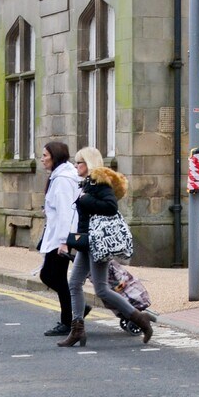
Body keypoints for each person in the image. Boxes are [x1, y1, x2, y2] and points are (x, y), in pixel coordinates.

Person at [59, 146, 153, 347]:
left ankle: (140, 318)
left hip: (98, 243)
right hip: (87, 241)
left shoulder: (100, 183)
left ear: (88, 164)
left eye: (79, 162)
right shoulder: (87, 183)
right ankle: (77, 329)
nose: (75, 166)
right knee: (74, 283)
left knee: (101, 289)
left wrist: (86, 200)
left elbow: (111, 207)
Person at [37, 140, 78, 337]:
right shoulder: (59, 176)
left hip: (60, 238)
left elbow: (65, 212)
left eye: (45, 155)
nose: (42, 159)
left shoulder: (62, 180)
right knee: (52, 276)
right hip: (56, 235)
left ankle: (69, 320)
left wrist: (63, 241)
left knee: (51, 276)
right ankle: (74, 314)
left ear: (55, 156)